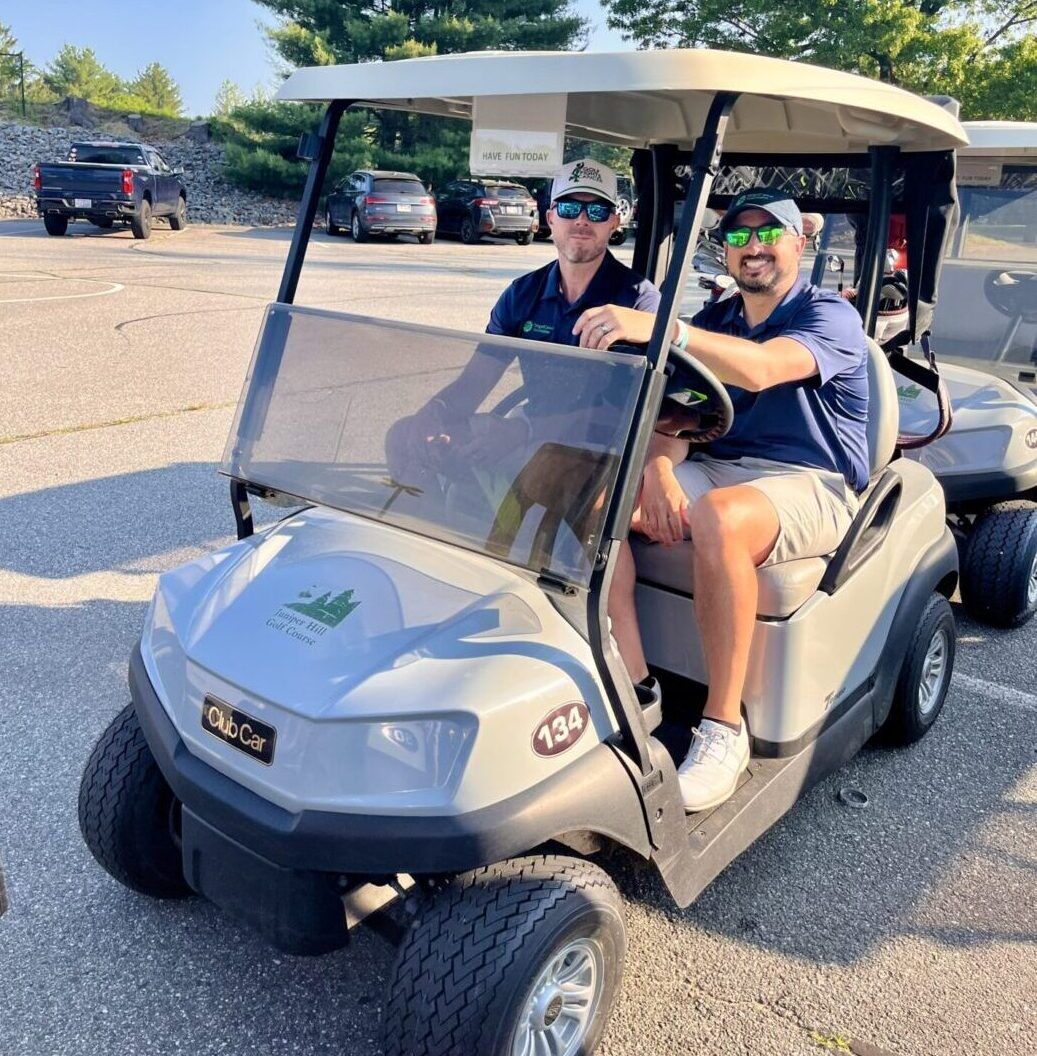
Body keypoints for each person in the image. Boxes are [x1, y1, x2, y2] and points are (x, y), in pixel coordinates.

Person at [571, 187, 870, 812]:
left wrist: (665, 329)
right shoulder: (716, 320)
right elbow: (675, 419)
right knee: (592, 502)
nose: (752, 246)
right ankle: (635, 687)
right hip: (719, 467)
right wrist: (658, 470)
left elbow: (760, 369)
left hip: (813, 480)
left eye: (769, 233)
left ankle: (723, 729)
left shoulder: (830, 315)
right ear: (726, 251)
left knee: (720, 518)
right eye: (738, 236)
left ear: (799, 242)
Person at [386, 159, 660, 494]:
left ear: (614, 222)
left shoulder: (638, 303)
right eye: (569, 208)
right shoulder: (523, 294)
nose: (582, 220)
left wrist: (522, 430)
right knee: (405, 436)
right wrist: (435, 412)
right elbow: (475, 381)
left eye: (597, 211)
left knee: (544, 472)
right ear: (550, 218)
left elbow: (623, 414)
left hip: (597, 448)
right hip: (530, 428)